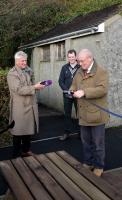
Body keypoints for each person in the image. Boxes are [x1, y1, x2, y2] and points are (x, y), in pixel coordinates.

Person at [70, 49, 109, 177]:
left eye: (82, 61)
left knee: (98, 143)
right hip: (83, 114)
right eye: (79, 61)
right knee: (85, 142)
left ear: (90, 58)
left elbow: (103, 90)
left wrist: (85, 92)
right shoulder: (79, 72)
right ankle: (88, 162)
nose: (80, 64)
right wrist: (71, 91)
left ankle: (99, 166)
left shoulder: (101, 72)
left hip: (97, 115)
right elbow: (74, 85)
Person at [7, 51, 45, 158]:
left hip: (30, 105)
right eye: (22, 61)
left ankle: (26, 151)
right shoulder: (12, 74)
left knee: (28, 130)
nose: (25, 62)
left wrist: (38, 85)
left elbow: (31, 84)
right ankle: (15, 155)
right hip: (19, 107)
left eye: (26, 60)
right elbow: (19, 90)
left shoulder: (28, 70)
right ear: (17, 61)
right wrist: (35, 87)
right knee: (18, 131)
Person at [58, 49, 80, 141]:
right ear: (68, 57)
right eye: (69, 57)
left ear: (76, 57)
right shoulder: (64, 68)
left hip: (78, 94)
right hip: (67, 95)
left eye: (72, 57)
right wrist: (67, 91)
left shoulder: (80, 67)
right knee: (67, 114)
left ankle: (81, 133)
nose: (71, 58)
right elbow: (60, 81)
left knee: (80, 113)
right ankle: (67, 133)